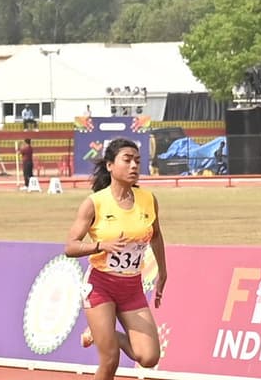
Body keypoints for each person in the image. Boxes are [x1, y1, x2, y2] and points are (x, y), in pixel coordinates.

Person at [64, 138, 166, 377]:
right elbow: (70, 246)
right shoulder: (94, 203)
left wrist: (163, 271)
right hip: (101, 286)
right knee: (110, 360)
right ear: (110, 165)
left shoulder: (148, 199)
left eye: (138, 161)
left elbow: (157, 235)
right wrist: (100, 245)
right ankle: (104, 334)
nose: (134, 166)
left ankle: (106, 333)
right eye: (127, 160)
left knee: (149, 357)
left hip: (132, 287)